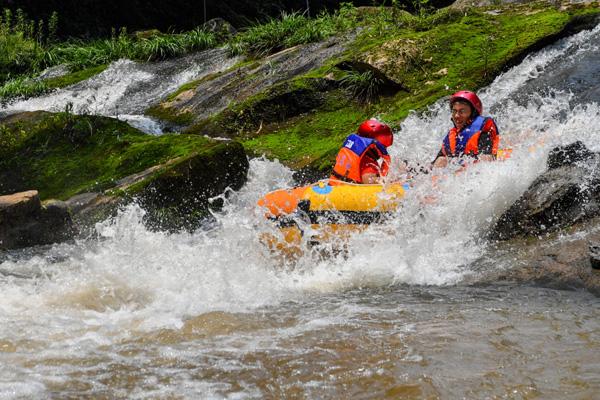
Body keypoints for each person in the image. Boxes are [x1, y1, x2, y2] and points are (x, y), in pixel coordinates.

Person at [432, 90, 500, 168]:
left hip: (473, 173)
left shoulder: (483, 133)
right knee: (441, 160)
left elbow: (487, 160)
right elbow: (433, 164)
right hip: (455, 173)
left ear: (473, 113)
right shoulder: (452, 136)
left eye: (462, 111)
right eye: (454, 111)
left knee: (484, 158)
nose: (457, 116)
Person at [330, 119, 393, 184]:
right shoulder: (369, 163)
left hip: (334, 187)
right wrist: (391, 182)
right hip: (346, 192)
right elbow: (369, 182)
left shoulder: (355, 153)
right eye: (385, 147)